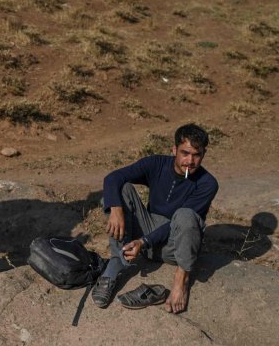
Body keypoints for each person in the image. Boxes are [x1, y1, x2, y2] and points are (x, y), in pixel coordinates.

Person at [91, 123, 218, 313]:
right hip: (147, 235)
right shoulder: (156, 164)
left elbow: (181, 222)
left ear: (203, 154)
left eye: (196, 155)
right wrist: (115, 208)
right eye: (184, 153)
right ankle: (116, 264)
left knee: (185, 215)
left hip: (173, 248)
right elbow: (113, 178)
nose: (190, 161)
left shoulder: (207, 183)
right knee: (122, 189)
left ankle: (181, 280)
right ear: (174, 149)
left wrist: (143, 241)